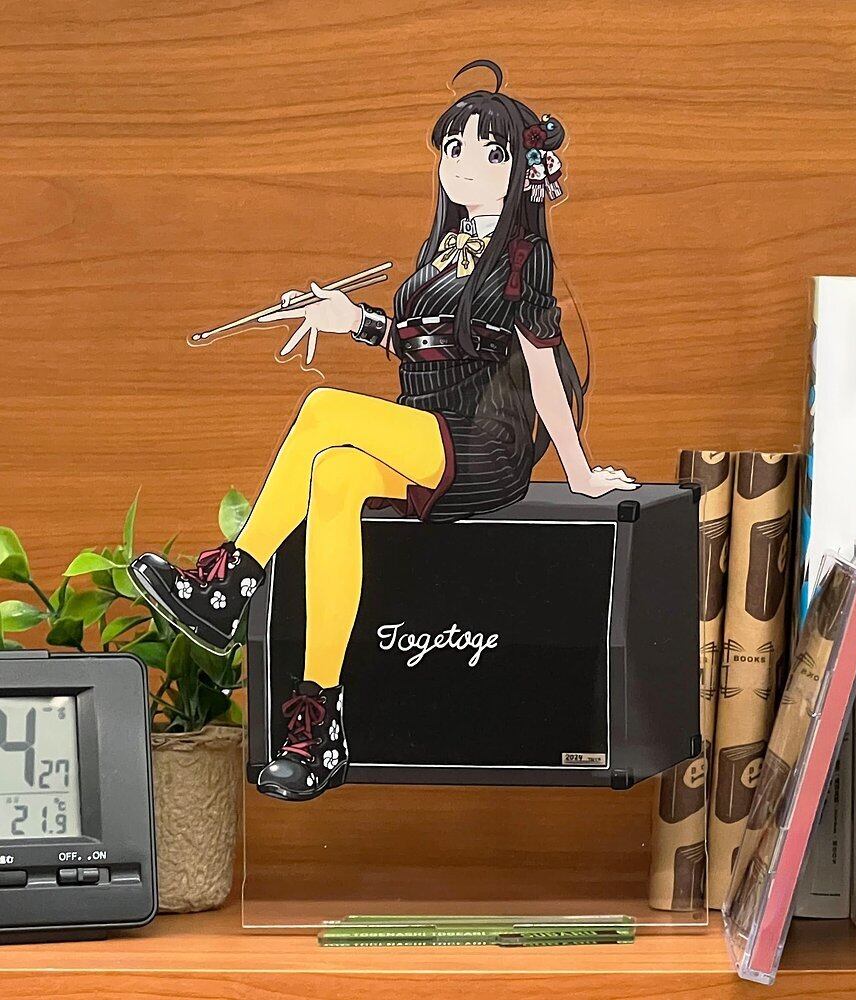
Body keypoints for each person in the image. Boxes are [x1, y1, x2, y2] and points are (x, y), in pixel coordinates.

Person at [129, 60, 636, 802]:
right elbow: (421, 342)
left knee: (325, 410)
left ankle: (233, 581)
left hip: (481, 447)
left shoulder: (523, 260)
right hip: (426, 432)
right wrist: (351, 318)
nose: (465, 164)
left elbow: (542, 368)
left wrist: (580, 471)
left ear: (523, 171)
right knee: (333, 473)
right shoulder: (445, 246)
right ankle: (319, 722)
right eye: (454, 147)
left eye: (491, 151)